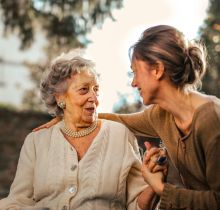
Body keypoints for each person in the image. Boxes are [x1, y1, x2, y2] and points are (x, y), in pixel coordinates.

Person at [34, 25, 220, 209]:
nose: (133, 82)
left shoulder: (211, 118)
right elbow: (120, 120)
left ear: (157, 70)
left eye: (135, 72)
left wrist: (160, 187)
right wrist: (69, 115)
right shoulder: (161, 115)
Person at [0, 50, 166, 210]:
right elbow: (18, 201)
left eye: (96, 90)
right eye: (84, 90)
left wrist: (154, 185)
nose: (93, 98)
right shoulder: (36, 141)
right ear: (60, 98)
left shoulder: (120, 135)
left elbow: (137, 205)